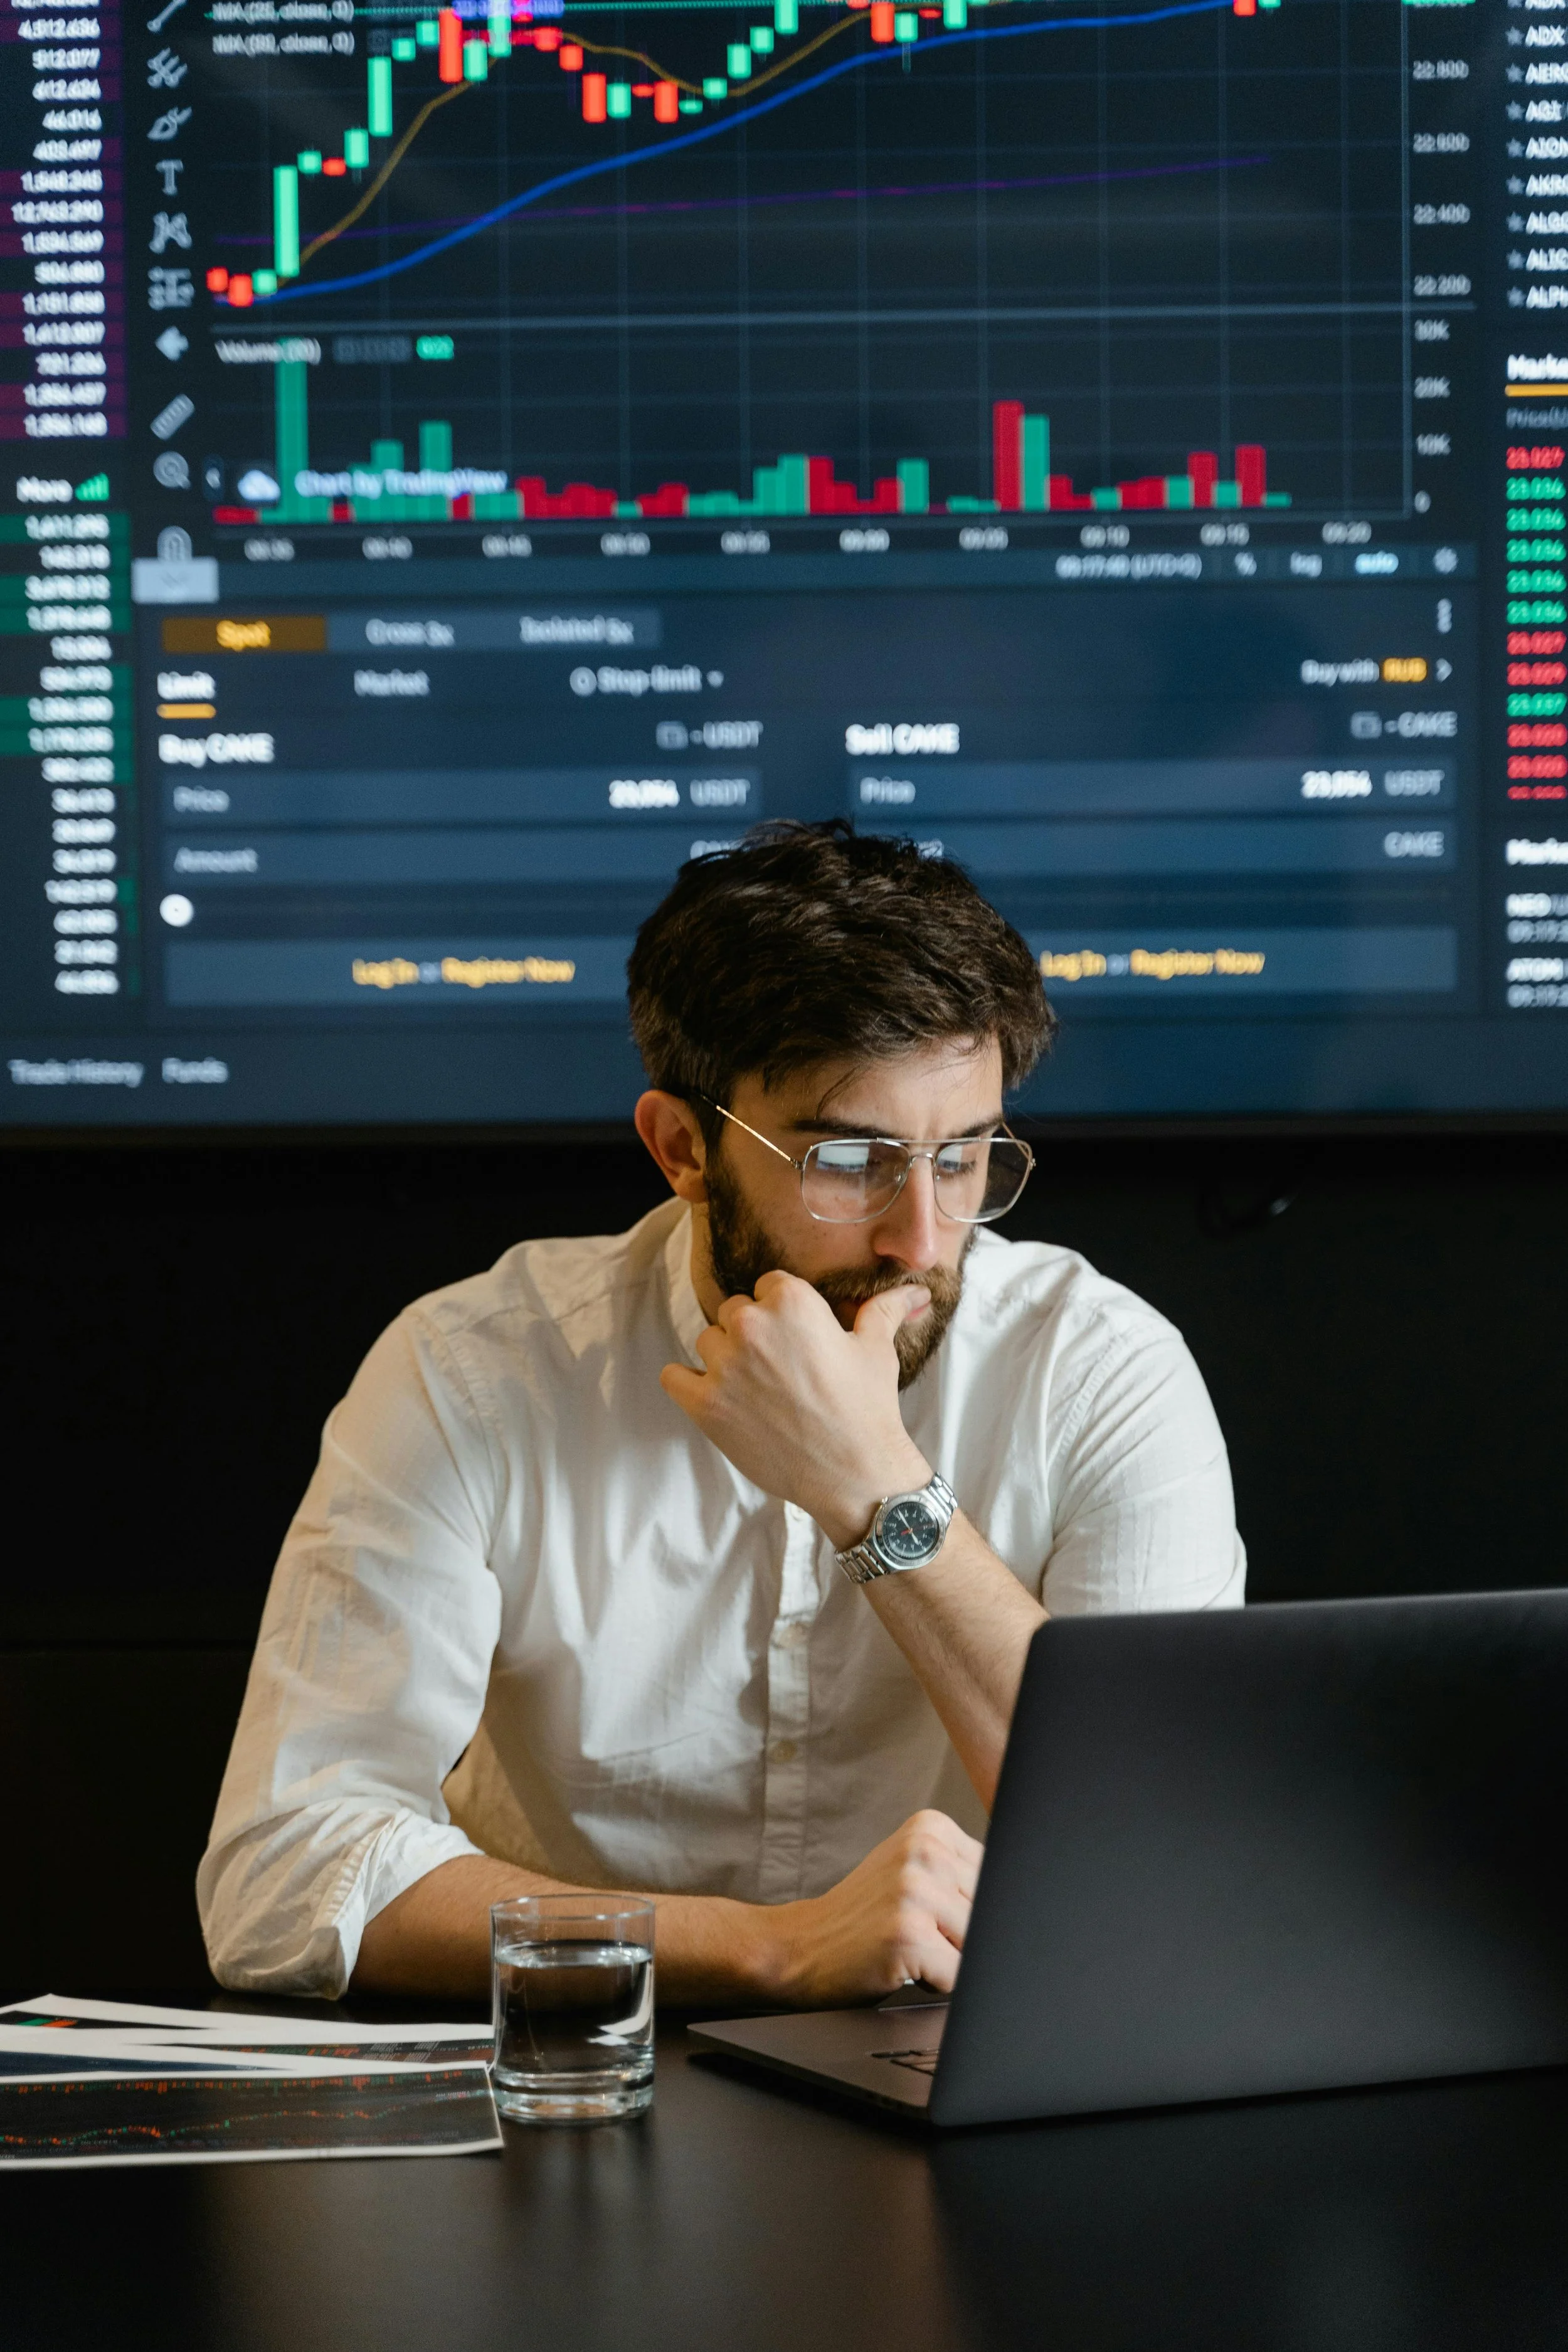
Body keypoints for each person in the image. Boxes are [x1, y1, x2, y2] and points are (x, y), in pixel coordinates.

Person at [199, 822, 1245, 2003]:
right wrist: (775, 1948)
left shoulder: (1104, 1370)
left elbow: (1175, 1854)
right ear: (683, 1148)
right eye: (851, 1160)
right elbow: (283, 1875)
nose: (923, 1238)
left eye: (963, 1159)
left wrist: (879, 1497)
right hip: (585, 2080)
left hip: (971, 2081)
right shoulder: (471, 1371)